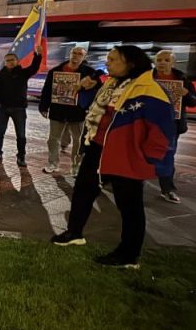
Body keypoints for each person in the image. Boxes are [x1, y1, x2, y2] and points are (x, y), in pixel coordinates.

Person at [51, 45, 175, 269]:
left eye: (113, 59)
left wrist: (146, 159)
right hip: (98, 148)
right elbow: (90, 108)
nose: (107, 62)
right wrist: (85, 90)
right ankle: (74, 233)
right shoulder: (110, 84)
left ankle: (128, 255)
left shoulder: (150, 90)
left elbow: (162, 131)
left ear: (131, 63)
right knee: (83, 191)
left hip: (126, 155)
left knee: (129, 205)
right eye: (108, 58)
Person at [39, 46, 100, 175]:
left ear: (84, 57)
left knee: (78, 140)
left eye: (79, 54)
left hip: (78, 111)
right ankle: (53, 163)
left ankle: (76, 166)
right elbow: (47, 89)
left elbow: (98, 91)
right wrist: (43, 107)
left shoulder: (90, 73)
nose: (76, 56)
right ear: (70, 54)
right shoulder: (55, 71)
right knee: (53, 139)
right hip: (58, 110)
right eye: (74, 53)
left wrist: (87, 91)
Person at [153, 49, 196, 203]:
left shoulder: (182, 79)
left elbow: (195, 101)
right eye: (159, 60)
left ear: (173, 62)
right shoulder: (147, 78)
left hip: (171, 124)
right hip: (148, 122)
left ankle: (167, 189)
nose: (162, 63)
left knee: (167, 156)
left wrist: (186, 94)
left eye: (166, 60)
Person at [0, 48, 43, 167]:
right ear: (5, 62)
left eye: (12, 60)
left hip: (19, 108)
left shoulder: (23, 73)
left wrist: (38, 56)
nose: (10, 62)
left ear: (17, 61)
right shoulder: (0, 74)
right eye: (7, 60)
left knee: (21, 135)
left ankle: (21, 156)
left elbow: (34, 68)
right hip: (3, 108)